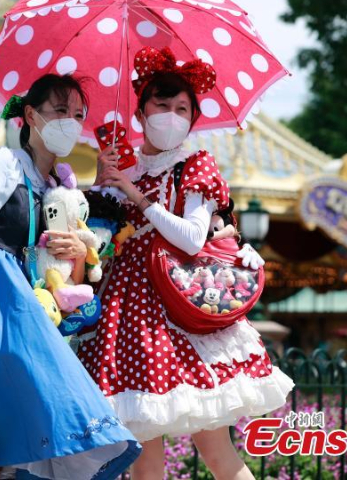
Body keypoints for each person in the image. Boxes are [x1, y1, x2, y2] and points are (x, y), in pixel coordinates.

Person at [81, 47, 294, 480]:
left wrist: (136, 196)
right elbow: (98, 243)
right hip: (129, 313)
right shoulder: (124, 166)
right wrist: (100, 186)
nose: (171, 115)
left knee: (216, 452)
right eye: (162, 104)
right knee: (144, 455)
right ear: (140, 112)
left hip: (181, 309)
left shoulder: (194, 165)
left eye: (182, 109)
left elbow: (192, 236)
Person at [0, 74, 140, 479]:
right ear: (31, 115)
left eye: (78, 114)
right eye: (60, 111)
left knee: (6, 441)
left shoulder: (59, 187)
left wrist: (78, 247)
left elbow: (72, 272)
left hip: (29, 307)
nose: (70, 122)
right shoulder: (3, 163)